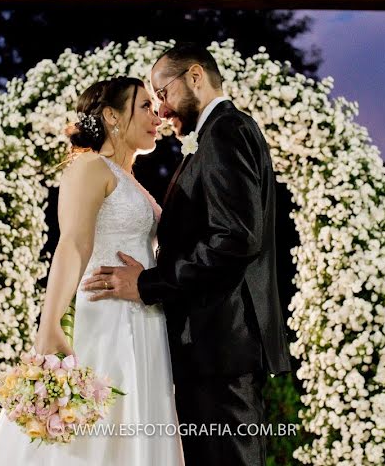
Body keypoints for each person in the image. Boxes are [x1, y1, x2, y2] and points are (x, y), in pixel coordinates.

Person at [82, 43, 293, 466]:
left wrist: (147, 284)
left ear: (195, 76)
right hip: (216, 342)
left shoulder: (225, 132)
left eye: (162, 93)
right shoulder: (219, 134)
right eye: (152, 100)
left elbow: (235, 239)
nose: (160, 110)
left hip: (221, 341)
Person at [0, 77, 185, 465]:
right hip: (104, 320)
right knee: (91, 433)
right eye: (144, 106)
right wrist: (50, 324)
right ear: (111, 115)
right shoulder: (90, 166)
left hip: (142, 322)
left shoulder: (129, 179)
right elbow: (74, 243)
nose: (156, 115)